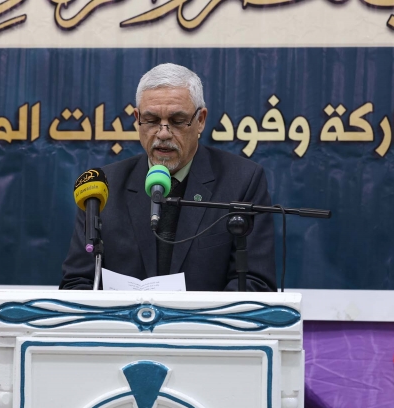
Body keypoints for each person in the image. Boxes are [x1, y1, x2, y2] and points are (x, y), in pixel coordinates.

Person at [60, 63, 276, 292]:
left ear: (200, 120)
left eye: (177, 121)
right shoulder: (103, 187)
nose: (163, 133)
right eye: (151, 120)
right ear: (137, 118)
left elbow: (254, 283)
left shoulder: (242, 181)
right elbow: (77, 283)